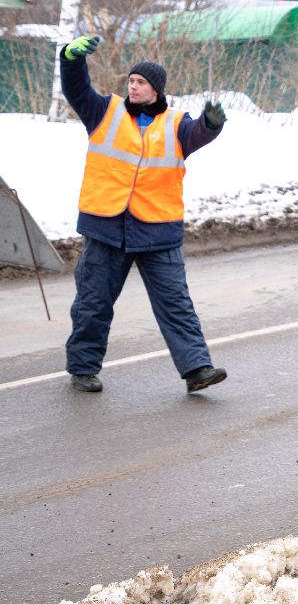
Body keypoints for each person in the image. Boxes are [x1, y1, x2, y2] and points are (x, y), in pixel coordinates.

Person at [59, 34, 228, 394]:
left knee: (176, 304)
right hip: (107, 225)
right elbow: (76, 88)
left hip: (157, 229)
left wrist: (212, 124)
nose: (133, 87)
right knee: (93, 303)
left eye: (140, 83)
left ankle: (198, 369)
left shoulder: (177, 124)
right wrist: (71, 59)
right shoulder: (103, 111)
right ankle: (83, 369)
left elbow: (199, 134)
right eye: (131, 81)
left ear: (156, 89)